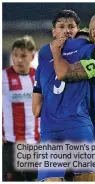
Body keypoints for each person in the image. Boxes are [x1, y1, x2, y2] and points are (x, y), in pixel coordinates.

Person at [32, 10, 95, 182]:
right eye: (62, 27)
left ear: (76, 30)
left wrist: (52, 105)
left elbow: (36, 109)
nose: (66, 31)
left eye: (71, 27)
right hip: (78, 127)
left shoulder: (44, 55)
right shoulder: (82, 49)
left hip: (52, 129)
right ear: (54, 31)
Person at [3, 35, 39, 181]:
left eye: (23, 56)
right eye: (15, 55)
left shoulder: (39, 77)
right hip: (9, 142)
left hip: (34, 141)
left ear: (32, 56)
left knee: (32, 180)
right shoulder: (3, 76)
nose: (18, 60)